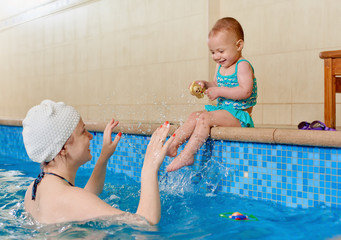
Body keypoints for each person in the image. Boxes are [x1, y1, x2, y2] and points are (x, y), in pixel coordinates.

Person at [22, 99, 175, 225]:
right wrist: (149, 167)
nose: (90, 136)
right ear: (63, 148)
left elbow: (83, 201)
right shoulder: (70, 198)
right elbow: (145, 223)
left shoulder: (34, 189)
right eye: (83, 131)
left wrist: (104, 156)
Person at [166, 17, 257, 172]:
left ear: (239, 45)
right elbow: (216, 84)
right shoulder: (220, 66)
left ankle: (188, 155)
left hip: (239, 116)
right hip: (224, 112)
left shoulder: (243, 65)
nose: (216, 56)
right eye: (213, 52)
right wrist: (205, 84)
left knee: (205, 118)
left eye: (221, 51)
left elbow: (245, 91)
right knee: (195, 115)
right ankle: (174, 144)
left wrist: (219, 91)